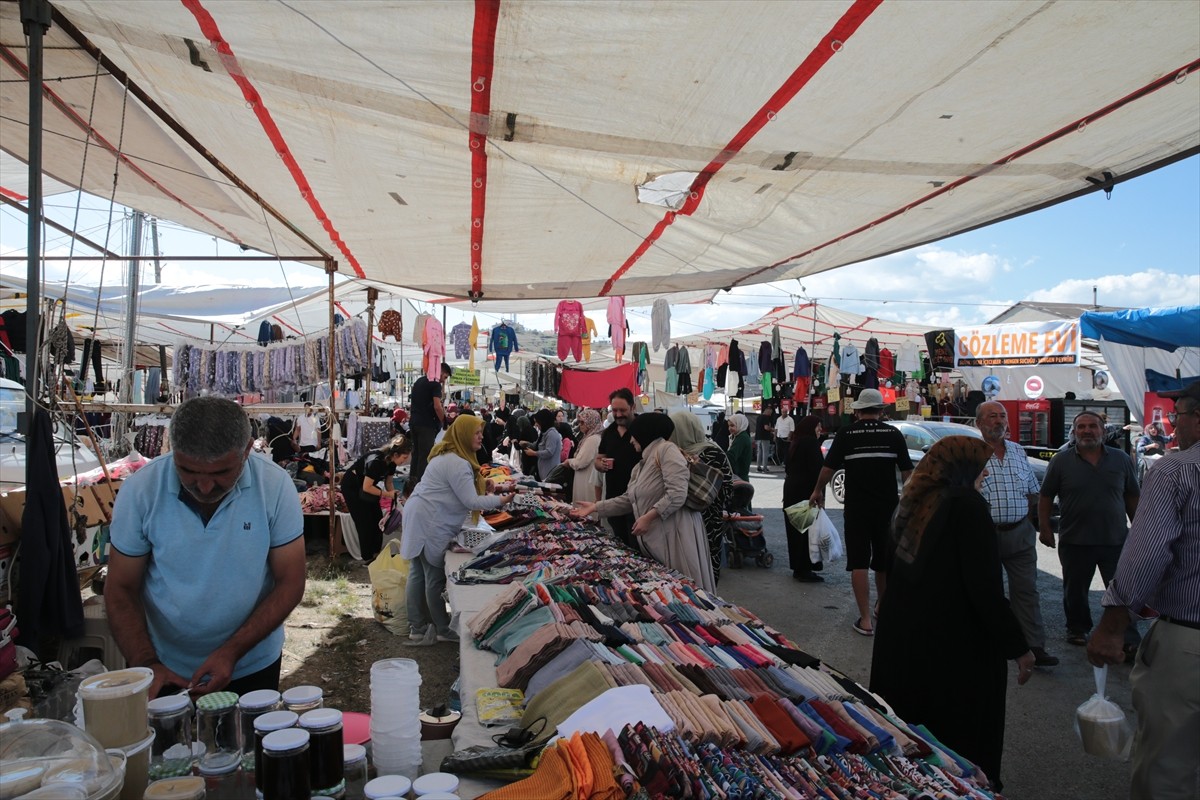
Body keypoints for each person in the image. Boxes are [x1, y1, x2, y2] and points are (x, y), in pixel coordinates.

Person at [107, 397, 306, 698]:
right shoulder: (141, 491)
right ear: (173, 451)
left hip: (251, 661)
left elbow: (290, 581)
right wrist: (146, 662)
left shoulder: (275, 487)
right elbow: (121, 587)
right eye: (188, 471)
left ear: (248, 450)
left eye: (220, 473)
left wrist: (232, 652)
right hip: (164, 667)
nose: (204, 487)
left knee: (246, 743)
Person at [870, 436, 1034, 791]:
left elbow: (888, 568)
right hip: (953, 645)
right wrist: (1019, 647)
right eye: (982, 465)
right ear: (961, 468)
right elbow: (984, 589)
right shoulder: (966, 507)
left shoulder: (911, 502)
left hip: (904, 638)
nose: (987, 473)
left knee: (914, 732)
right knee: (958, 739)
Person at [1087, 381, 1200, 800]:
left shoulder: (1176, 469)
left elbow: (1147, 555)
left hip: (1189, 641)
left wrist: (1112, 626)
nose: (1174, 424)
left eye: (1179, 415)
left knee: (1167, 767)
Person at [400, 415, 514, 642]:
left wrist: (491, 486)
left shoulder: (448, 454)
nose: (481, 436)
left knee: (418, 572)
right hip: (429, 519)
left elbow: (462, 485)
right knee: (431, 576)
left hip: (420, 513)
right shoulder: (459, 463)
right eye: (476, 432)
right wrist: (501, 501)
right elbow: (470, 501)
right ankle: (442, 629)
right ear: (463, 434)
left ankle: (418, 627)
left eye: (481, 432)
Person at [809, 388, 913, 636]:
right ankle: (882, 611)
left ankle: (865, 620)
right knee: (883, 562)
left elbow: (828, 468)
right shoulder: (893, 434)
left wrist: (817, 491)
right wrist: (908, 500)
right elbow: (908, 473)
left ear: (857, 411)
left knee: (858, 562)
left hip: (857, 509)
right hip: (887, 509)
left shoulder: (847, 434)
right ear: (881, 410)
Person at [574, 413, 716, 592]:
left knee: (684, 589)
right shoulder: (643, 463)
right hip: (658, 537)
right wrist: (596, 507)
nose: (631, 440)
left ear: (644, 433)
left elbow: (678, 493)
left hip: (676, 534)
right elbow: (629, 499)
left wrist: (649, 516)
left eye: (633, 435)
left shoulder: (667, 450)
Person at [1039, 410, 1140, 650]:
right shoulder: (1060, 461)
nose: (1087, 431)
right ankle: (1077, 629)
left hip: (1115, 539)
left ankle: (1127, 637)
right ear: (1073, 432)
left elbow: (1132, 496)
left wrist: (1139, 531)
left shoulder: (1121, 459)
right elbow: (1045, 496)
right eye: (1081, 427)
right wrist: (1044, 528)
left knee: (1121, 591)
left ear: (1103, 431)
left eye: (1092, 426)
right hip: (1075, 540)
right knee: (1075, 591)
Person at [975, 401, 1058, 667]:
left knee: (1027, 591)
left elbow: (1033, 492)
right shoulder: (972, 454)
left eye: (1002, 416)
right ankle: (986, 642)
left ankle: (1034, 646)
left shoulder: (1018, 451)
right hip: (985, 535)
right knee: (987, 591)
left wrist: (1040, 524)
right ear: (979, 423)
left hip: (1020, 532)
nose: (999, 421)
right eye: (992, 417)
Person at [669, 410, 735, 584]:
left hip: (700, 521)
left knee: (698, 573)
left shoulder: (706, 453)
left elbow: (726, 488)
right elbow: (728, 489)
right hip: (704, 521)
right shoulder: (713, 450)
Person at [340, 435, 413, 560]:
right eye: (404, 457)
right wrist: (387, 494)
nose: (405, 461)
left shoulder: (391, 463)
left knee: (378, 518)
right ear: (395, 454)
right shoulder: (376, 461)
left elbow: (388, 482)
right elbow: (367, 487)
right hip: (352, 486)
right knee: (364, 522)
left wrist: (393, 495)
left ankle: (376, 552)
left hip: (366, 487)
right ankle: (367, 557)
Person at [594, 388, 641, 549]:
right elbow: (598, 459)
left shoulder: (642, 428)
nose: (618, 414)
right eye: (615, 410)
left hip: (638, 500)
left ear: (633, 407)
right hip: (614, 497)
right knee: (620, 545)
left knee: (638, 546)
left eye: (623, 410)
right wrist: (600, 465)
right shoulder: (608, 433)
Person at [783, 415, 825, 583]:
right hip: (806, 492)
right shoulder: (810, 443)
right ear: (810, 428)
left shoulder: (796, 442)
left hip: (792, 490)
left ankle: (798, 568)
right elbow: (818, 469)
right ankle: (804, 570)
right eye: (818, 426)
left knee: (796, 532)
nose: (820, 430)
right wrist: (819, 492)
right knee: (807, 531)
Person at [408, 362, 451, 488]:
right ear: (441, 372)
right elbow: (437, 406)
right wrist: (444, 421)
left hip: (414, 422)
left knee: (416, 455)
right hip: (426, 425)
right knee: (424, 456)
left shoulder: (419, 381)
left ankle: (412, 484)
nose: (444, 381)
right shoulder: (435, 383)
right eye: (445, 377)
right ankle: (421, 486)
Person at [564, 408, 603, 502]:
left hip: (587, 482)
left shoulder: (592, 439)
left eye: (582, 423)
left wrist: (569, 462)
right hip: (586, 480)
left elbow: (580, 462)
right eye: (579, 422)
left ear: (591, 423)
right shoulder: (591, 437)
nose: (580, 425)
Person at [525, 408, 564, 480]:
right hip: (543, 471)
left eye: (537, 422)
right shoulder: (544, 433)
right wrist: (526, 443)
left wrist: (534, 453)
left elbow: (549, 452)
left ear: (543, 421)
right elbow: (536, 445)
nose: (536, 424)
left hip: (550, 471)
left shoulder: (552, 434)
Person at [726, 413, 752, 481]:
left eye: (732, 425)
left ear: (740, 424)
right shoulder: (738, 436)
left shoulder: (742, 438)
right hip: (739, 476)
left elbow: (731, 456)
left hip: (739, 478)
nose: (729, 428)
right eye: (728, 426)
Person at [754, 405, 775, 473]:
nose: (770, 414)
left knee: (759, 452)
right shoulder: (766, 417)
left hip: (758, 437)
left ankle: (758, 467)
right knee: (765, 453)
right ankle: (764, 468)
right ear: (767, 411)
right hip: (765, 437)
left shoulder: (758, 417)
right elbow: (766, 427)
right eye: (770, 412)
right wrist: (773, 430)